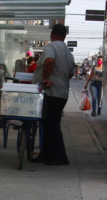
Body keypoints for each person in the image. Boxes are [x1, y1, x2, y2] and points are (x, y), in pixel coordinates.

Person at [30, 24, 76, 165]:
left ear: (52, 34)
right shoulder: (68, 52)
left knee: (52, 125)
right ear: (64, 36)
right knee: (49, 125)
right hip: (61, 93)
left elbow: (49, 60)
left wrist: (45, 78)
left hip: (52, 93)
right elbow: (70, 73)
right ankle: (46, 155)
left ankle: (59, 157)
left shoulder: (51, 47)